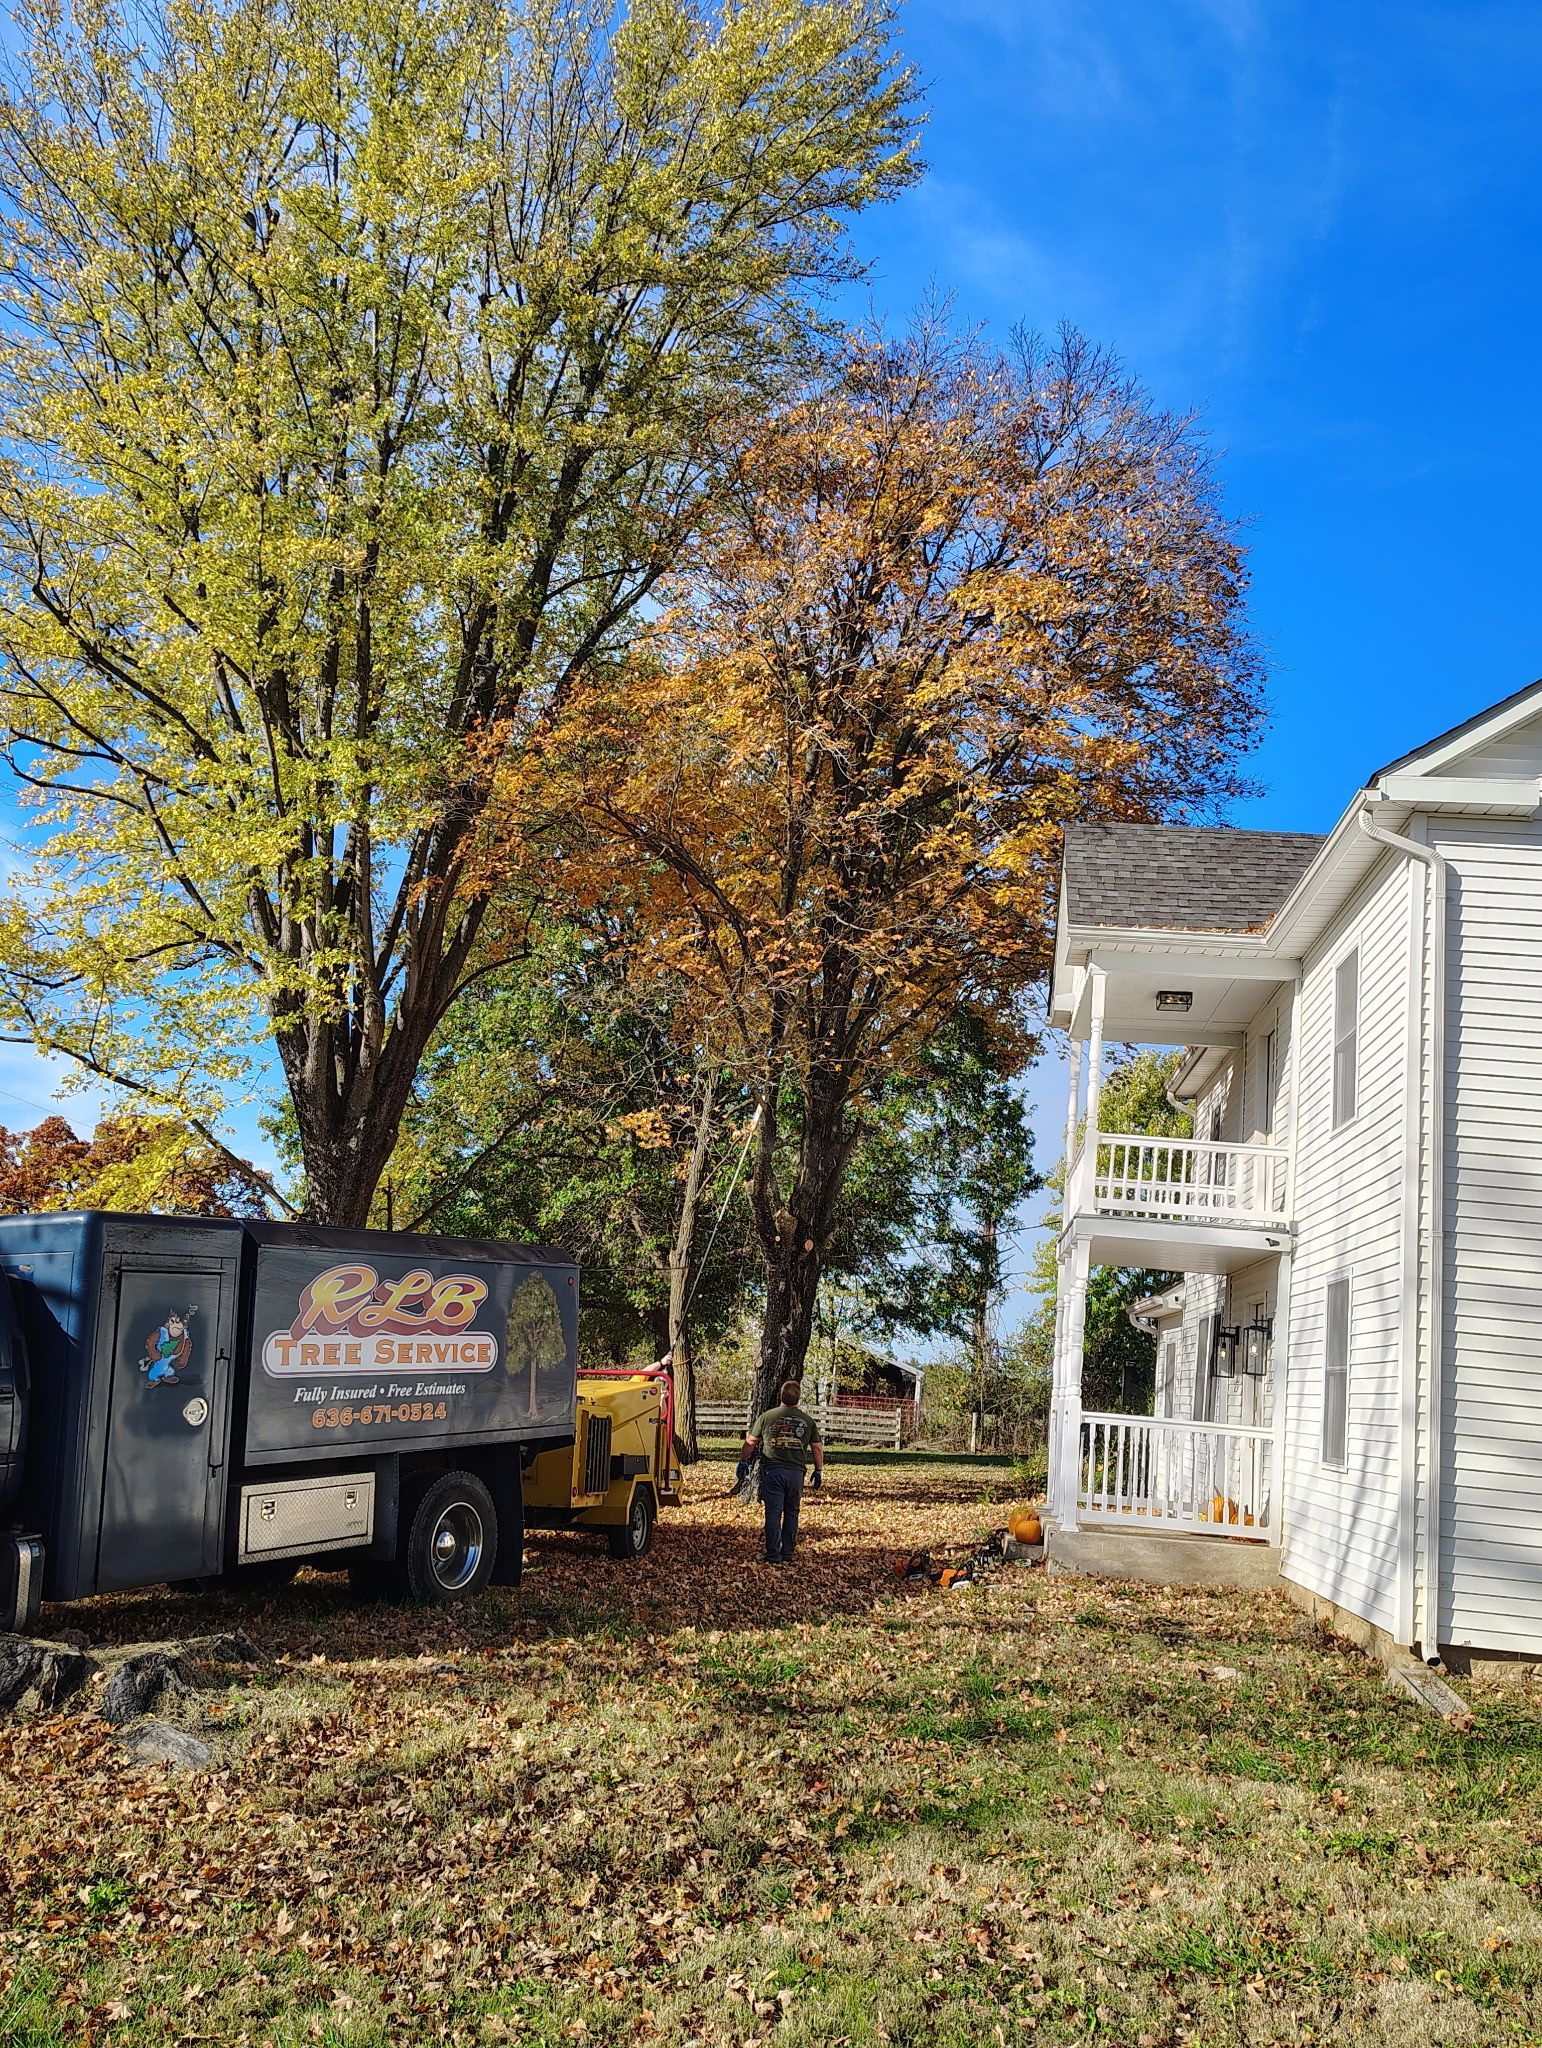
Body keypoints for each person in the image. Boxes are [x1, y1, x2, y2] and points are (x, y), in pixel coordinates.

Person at [738, 1379, 824, 1566]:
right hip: (796, 1473)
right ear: (798, 1397)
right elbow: (817, 1447)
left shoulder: (767, 1417)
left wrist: (743, 1461)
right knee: (792, 1512)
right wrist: (818, 1470)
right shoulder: (807, 1421)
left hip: (773, 1471)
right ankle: (788, 1553)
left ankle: (773, 1554)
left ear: (781, 1395)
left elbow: (751, 1441)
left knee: (773, 1513)